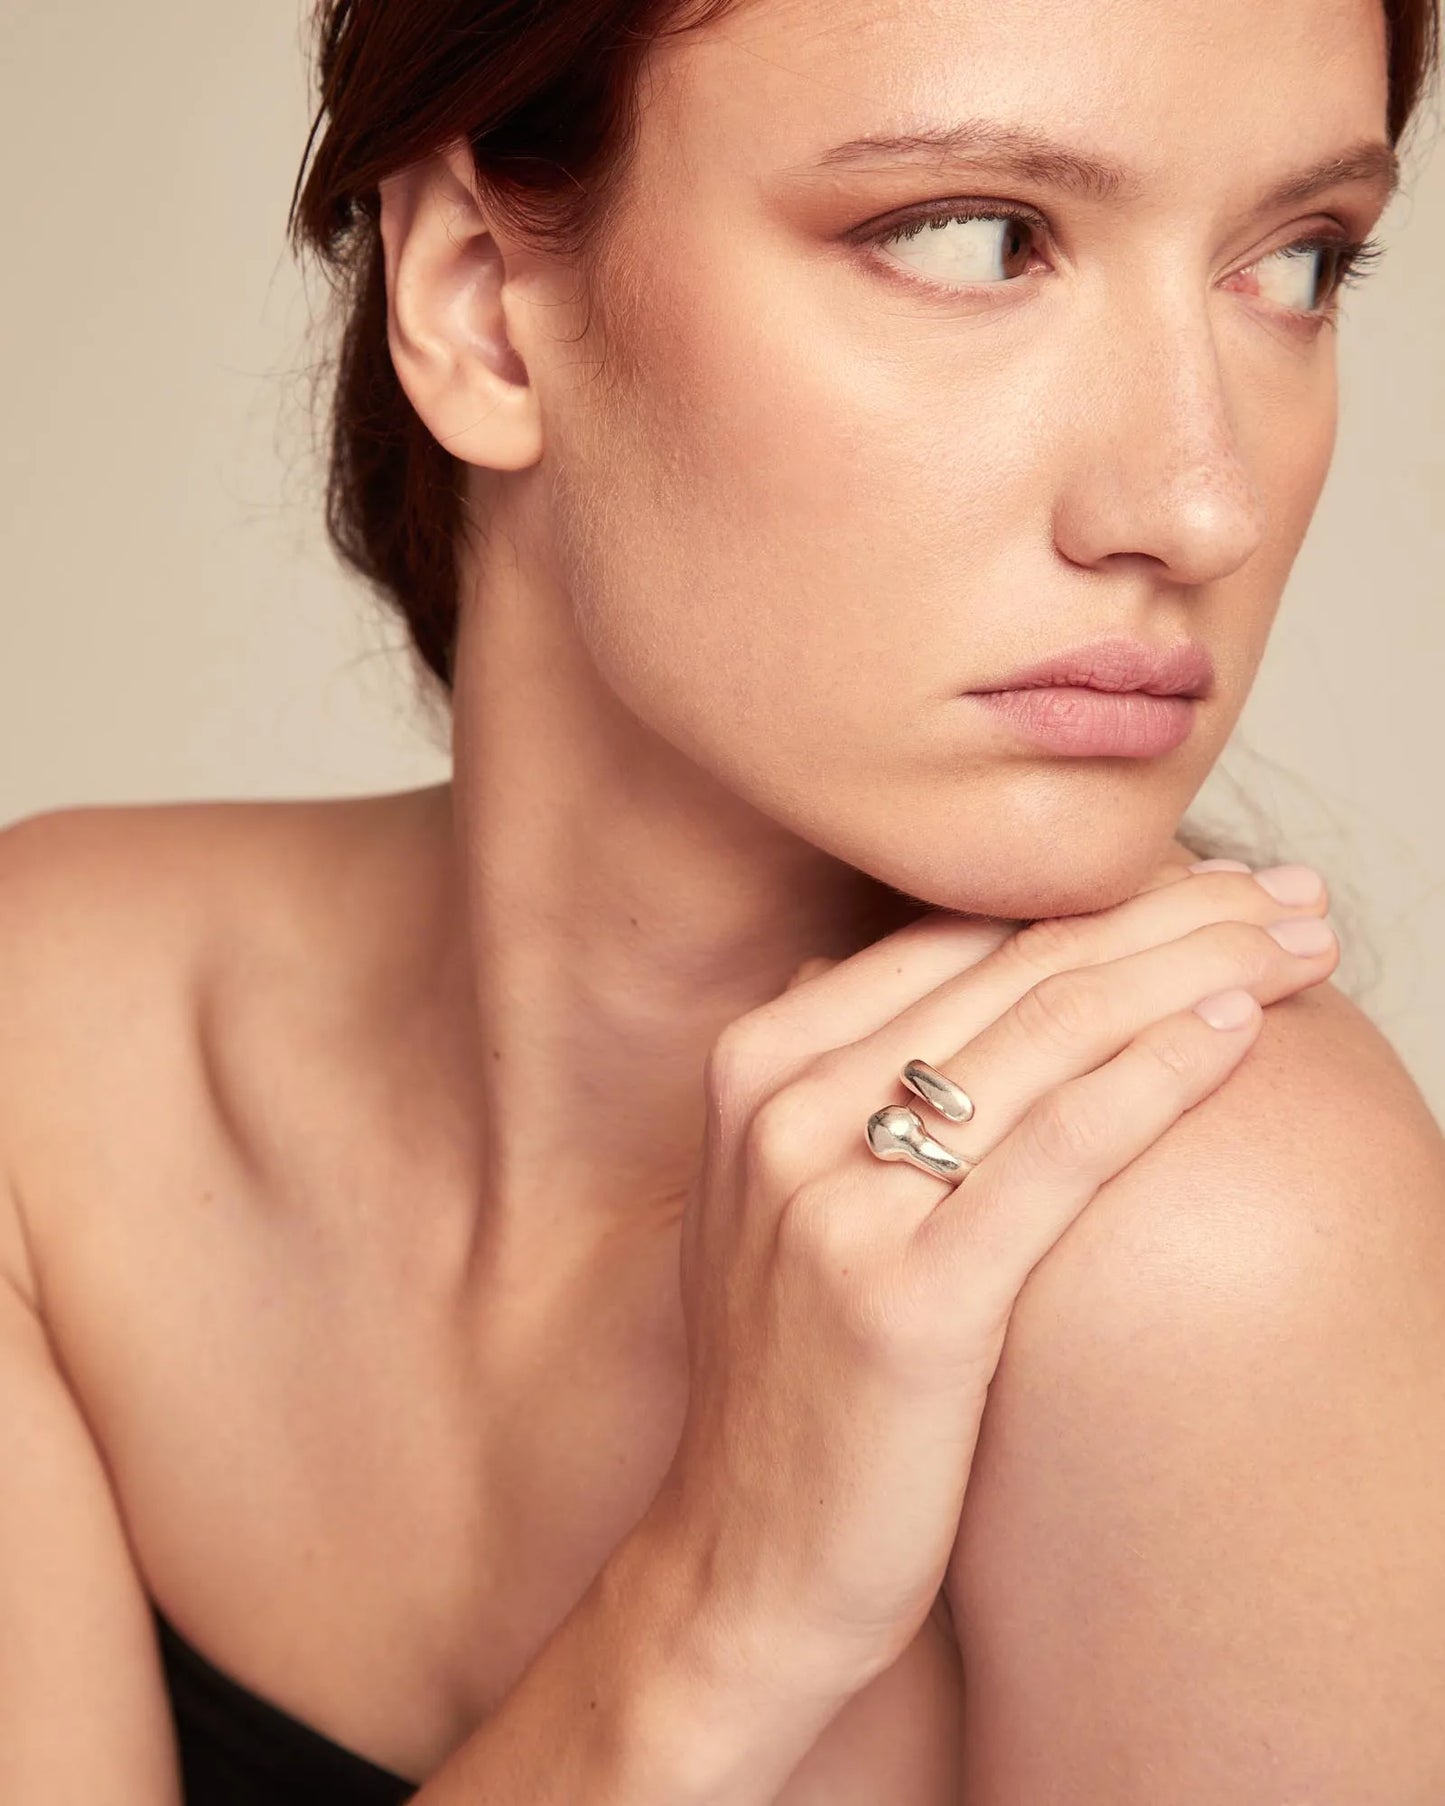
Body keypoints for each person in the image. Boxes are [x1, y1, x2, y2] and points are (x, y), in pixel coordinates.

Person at [2, 0, 1442, 1799]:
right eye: (973, 239)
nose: (1195, 499)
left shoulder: (1210, 1250)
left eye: (1296, 264)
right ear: (480, 302)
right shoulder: (48, 1063)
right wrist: (713, 1616)